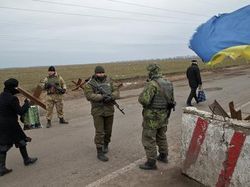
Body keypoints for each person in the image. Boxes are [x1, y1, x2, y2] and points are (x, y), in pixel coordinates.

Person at [138, 64, 175, 170]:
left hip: (152, 118)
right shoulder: (168, 83)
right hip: (164, 115)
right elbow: (171, 100)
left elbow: (144, 100)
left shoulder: (151, 84)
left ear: (151, 73)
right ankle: (163, 156)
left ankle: (151, 162)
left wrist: (144, 91)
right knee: (161, 135)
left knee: (149, 138)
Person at [0, 78, 37, 176]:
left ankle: (2, 167)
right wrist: (27, 104)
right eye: (16, 86)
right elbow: (20, 111)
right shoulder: (12, 98)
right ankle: (26, 160)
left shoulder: (1, 96)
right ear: (12, 88)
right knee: (18, 142)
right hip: (11, 124)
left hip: (1, 124)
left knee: (9, 143)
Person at [83, 66, 119, 162]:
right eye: (99, 73)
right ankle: (99, 151)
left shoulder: (109, 81)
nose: (100, 75)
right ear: (95, 73)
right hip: (97, 110)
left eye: (102, 73)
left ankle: (106, 145)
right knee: (100, 132)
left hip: (109, 110)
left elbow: (116, 91)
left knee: (108, 131)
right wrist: (102, 97)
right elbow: (89, 95)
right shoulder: (90, 83)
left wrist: (111, 97)